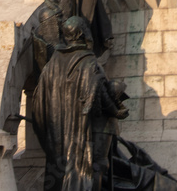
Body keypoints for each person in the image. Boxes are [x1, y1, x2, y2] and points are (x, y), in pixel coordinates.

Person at [30, 16, 127, 191]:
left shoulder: (50, 67)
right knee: (96, 167)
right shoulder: (88, 63)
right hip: (82, 134)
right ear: (83, 33)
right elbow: (97, 92)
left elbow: (38, 105)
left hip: (57, 138)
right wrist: (116, 110)